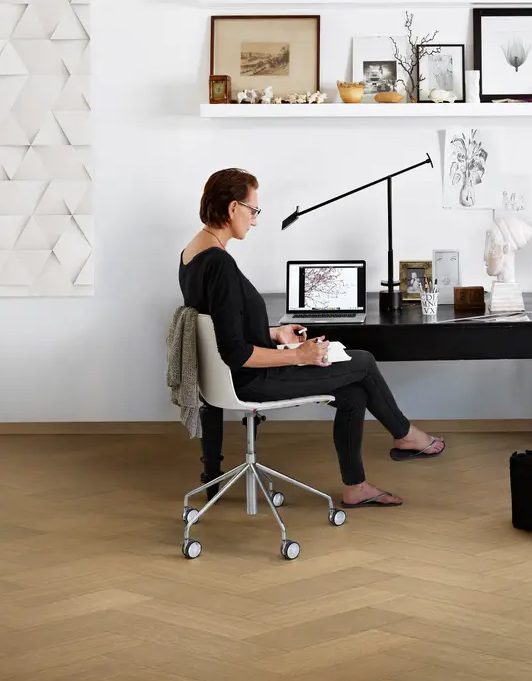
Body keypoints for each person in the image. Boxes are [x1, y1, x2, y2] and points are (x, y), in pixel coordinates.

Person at [178, 168, 445, 508]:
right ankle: (405, 434)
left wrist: (275, 333)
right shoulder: (220, 265)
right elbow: (236, 353)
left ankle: (356, 486)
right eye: (253, 210)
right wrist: (299, 355)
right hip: (252, 379)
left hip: (232, 377)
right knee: (363, 361)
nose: (255, 220)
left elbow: (223, 326)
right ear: (233, 208)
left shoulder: (192, 254)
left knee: (353, 395)